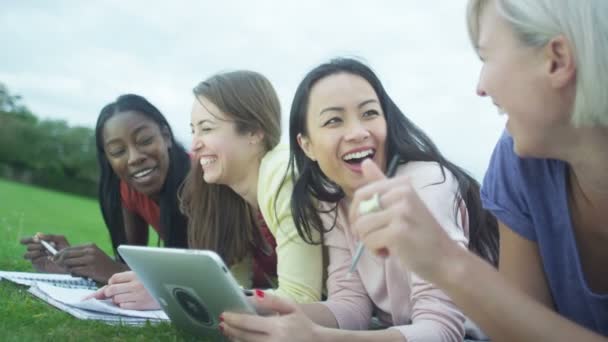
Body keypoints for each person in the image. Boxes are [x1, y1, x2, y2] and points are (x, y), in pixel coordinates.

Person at [220, 58, 499, 341]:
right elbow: (351, 305)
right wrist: (263, 310)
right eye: (333, 120)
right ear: (307, 145)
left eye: (369, 113)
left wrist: (316, 338)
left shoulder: (425, 184)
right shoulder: (333, 200)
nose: (357, 132)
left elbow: (443, 330)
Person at [90, 70, 323, 309]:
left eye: (207, 128)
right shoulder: (230, 192)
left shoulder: (281, 172)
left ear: (253, 131)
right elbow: (235, 288)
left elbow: (300, 298)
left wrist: (170, 295)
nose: (195, 145)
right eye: (194, 130)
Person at [20, 94, 190, 283]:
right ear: (108, 159)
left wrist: (113, 271)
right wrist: (75, 264)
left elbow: (208, 281)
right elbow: (131, 265)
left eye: (145, 141)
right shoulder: (128, 189)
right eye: (118, 151)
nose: (134, 158)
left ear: (166, 136)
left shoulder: (205, 180)